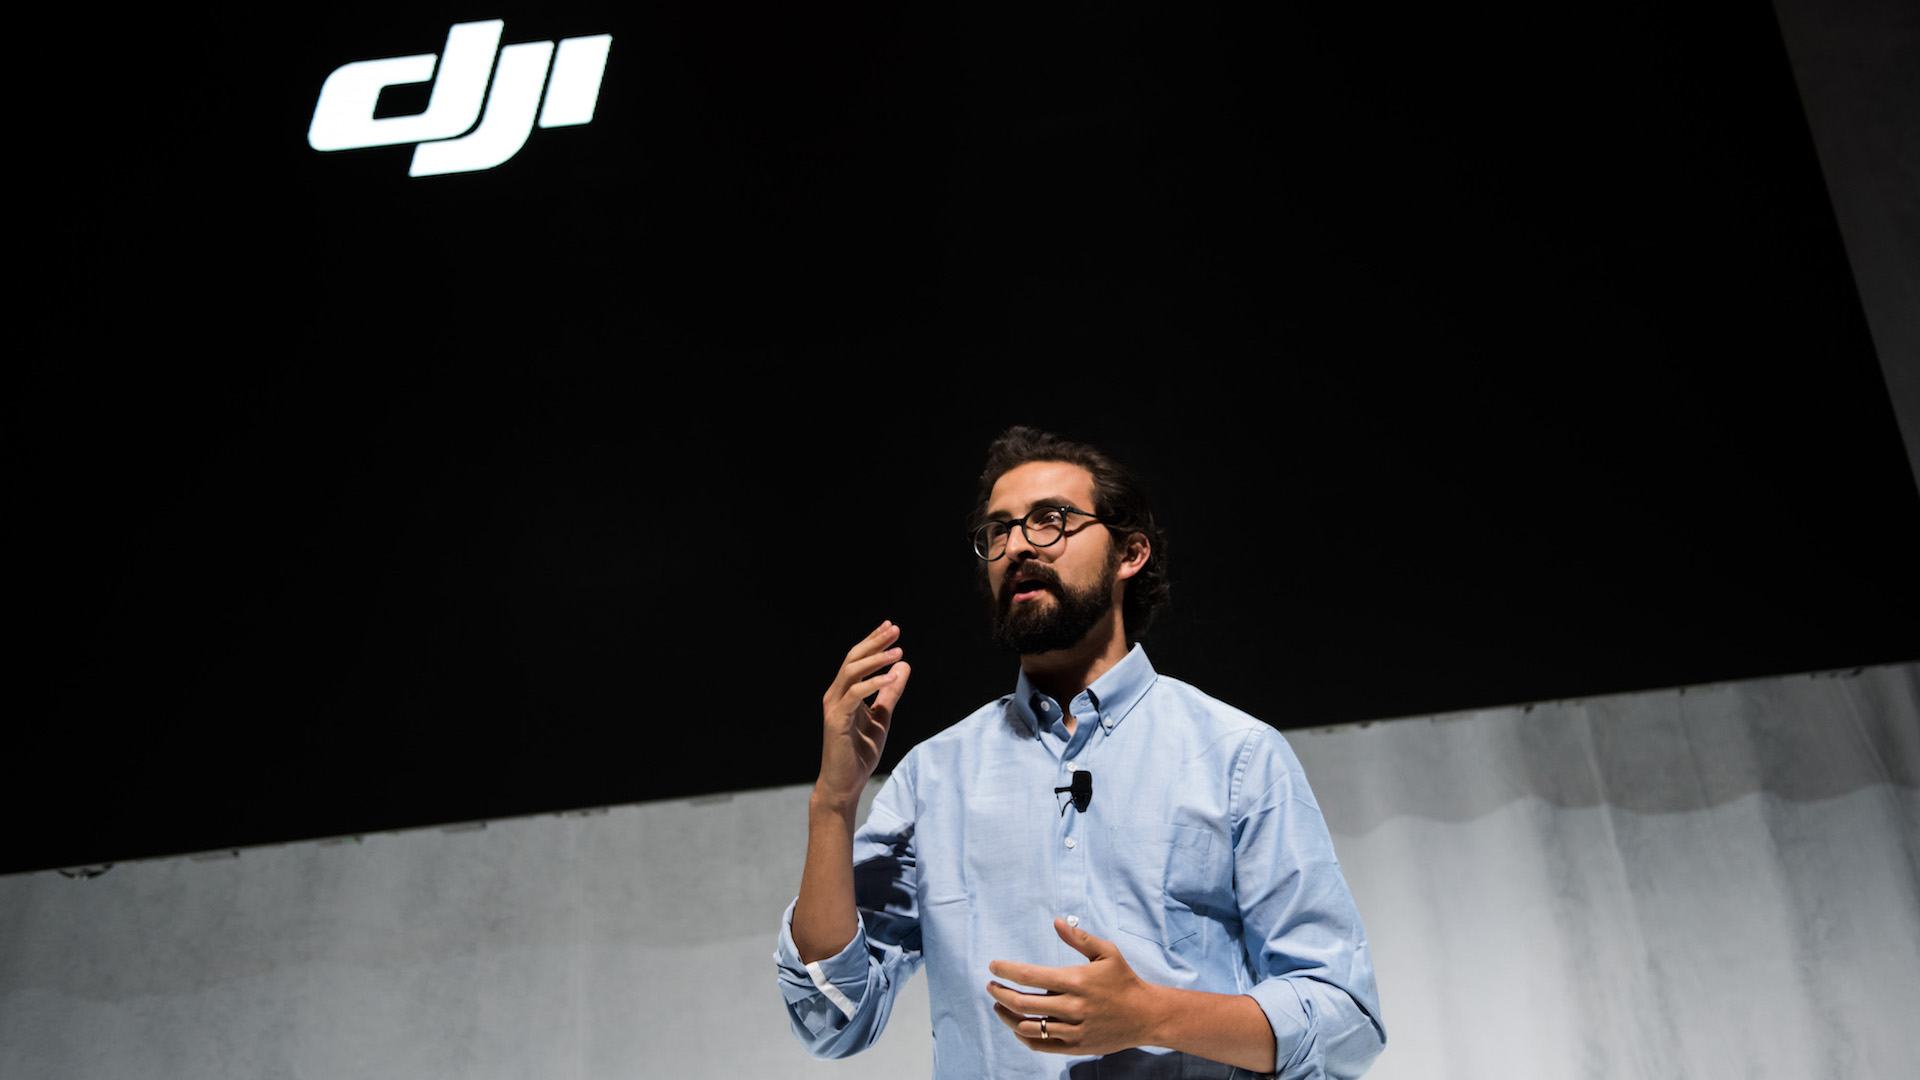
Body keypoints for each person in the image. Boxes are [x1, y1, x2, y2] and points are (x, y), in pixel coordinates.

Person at [775, 427, 1384, 1079]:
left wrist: (1153, 1015)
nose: (1017, 546)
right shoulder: (933, 778)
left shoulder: (1237, 756)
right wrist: (833, 804)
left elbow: (1344, 1020)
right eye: (998, 531)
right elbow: (831, 1015)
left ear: (1130, 553)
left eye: (1051, 520)